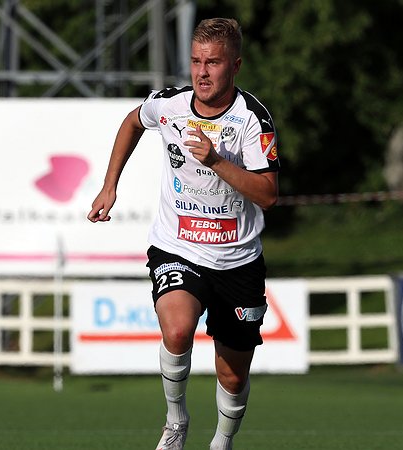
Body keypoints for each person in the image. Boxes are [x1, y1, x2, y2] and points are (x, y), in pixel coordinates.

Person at [87, 17, 279, 450]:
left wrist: (216, 162)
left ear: (235, 66)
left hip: (238, 260)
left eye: (213, 63)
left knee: (233, 375)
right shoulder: (169, 105)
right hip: (178, 246)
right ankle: (175, 422)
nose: (201, 73)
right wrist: (109, 185)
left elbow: (268, 195)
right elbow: (133, 122)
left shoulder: (252, 119)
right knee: (176, 331)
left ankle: (222, 442)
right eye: (195, 61)